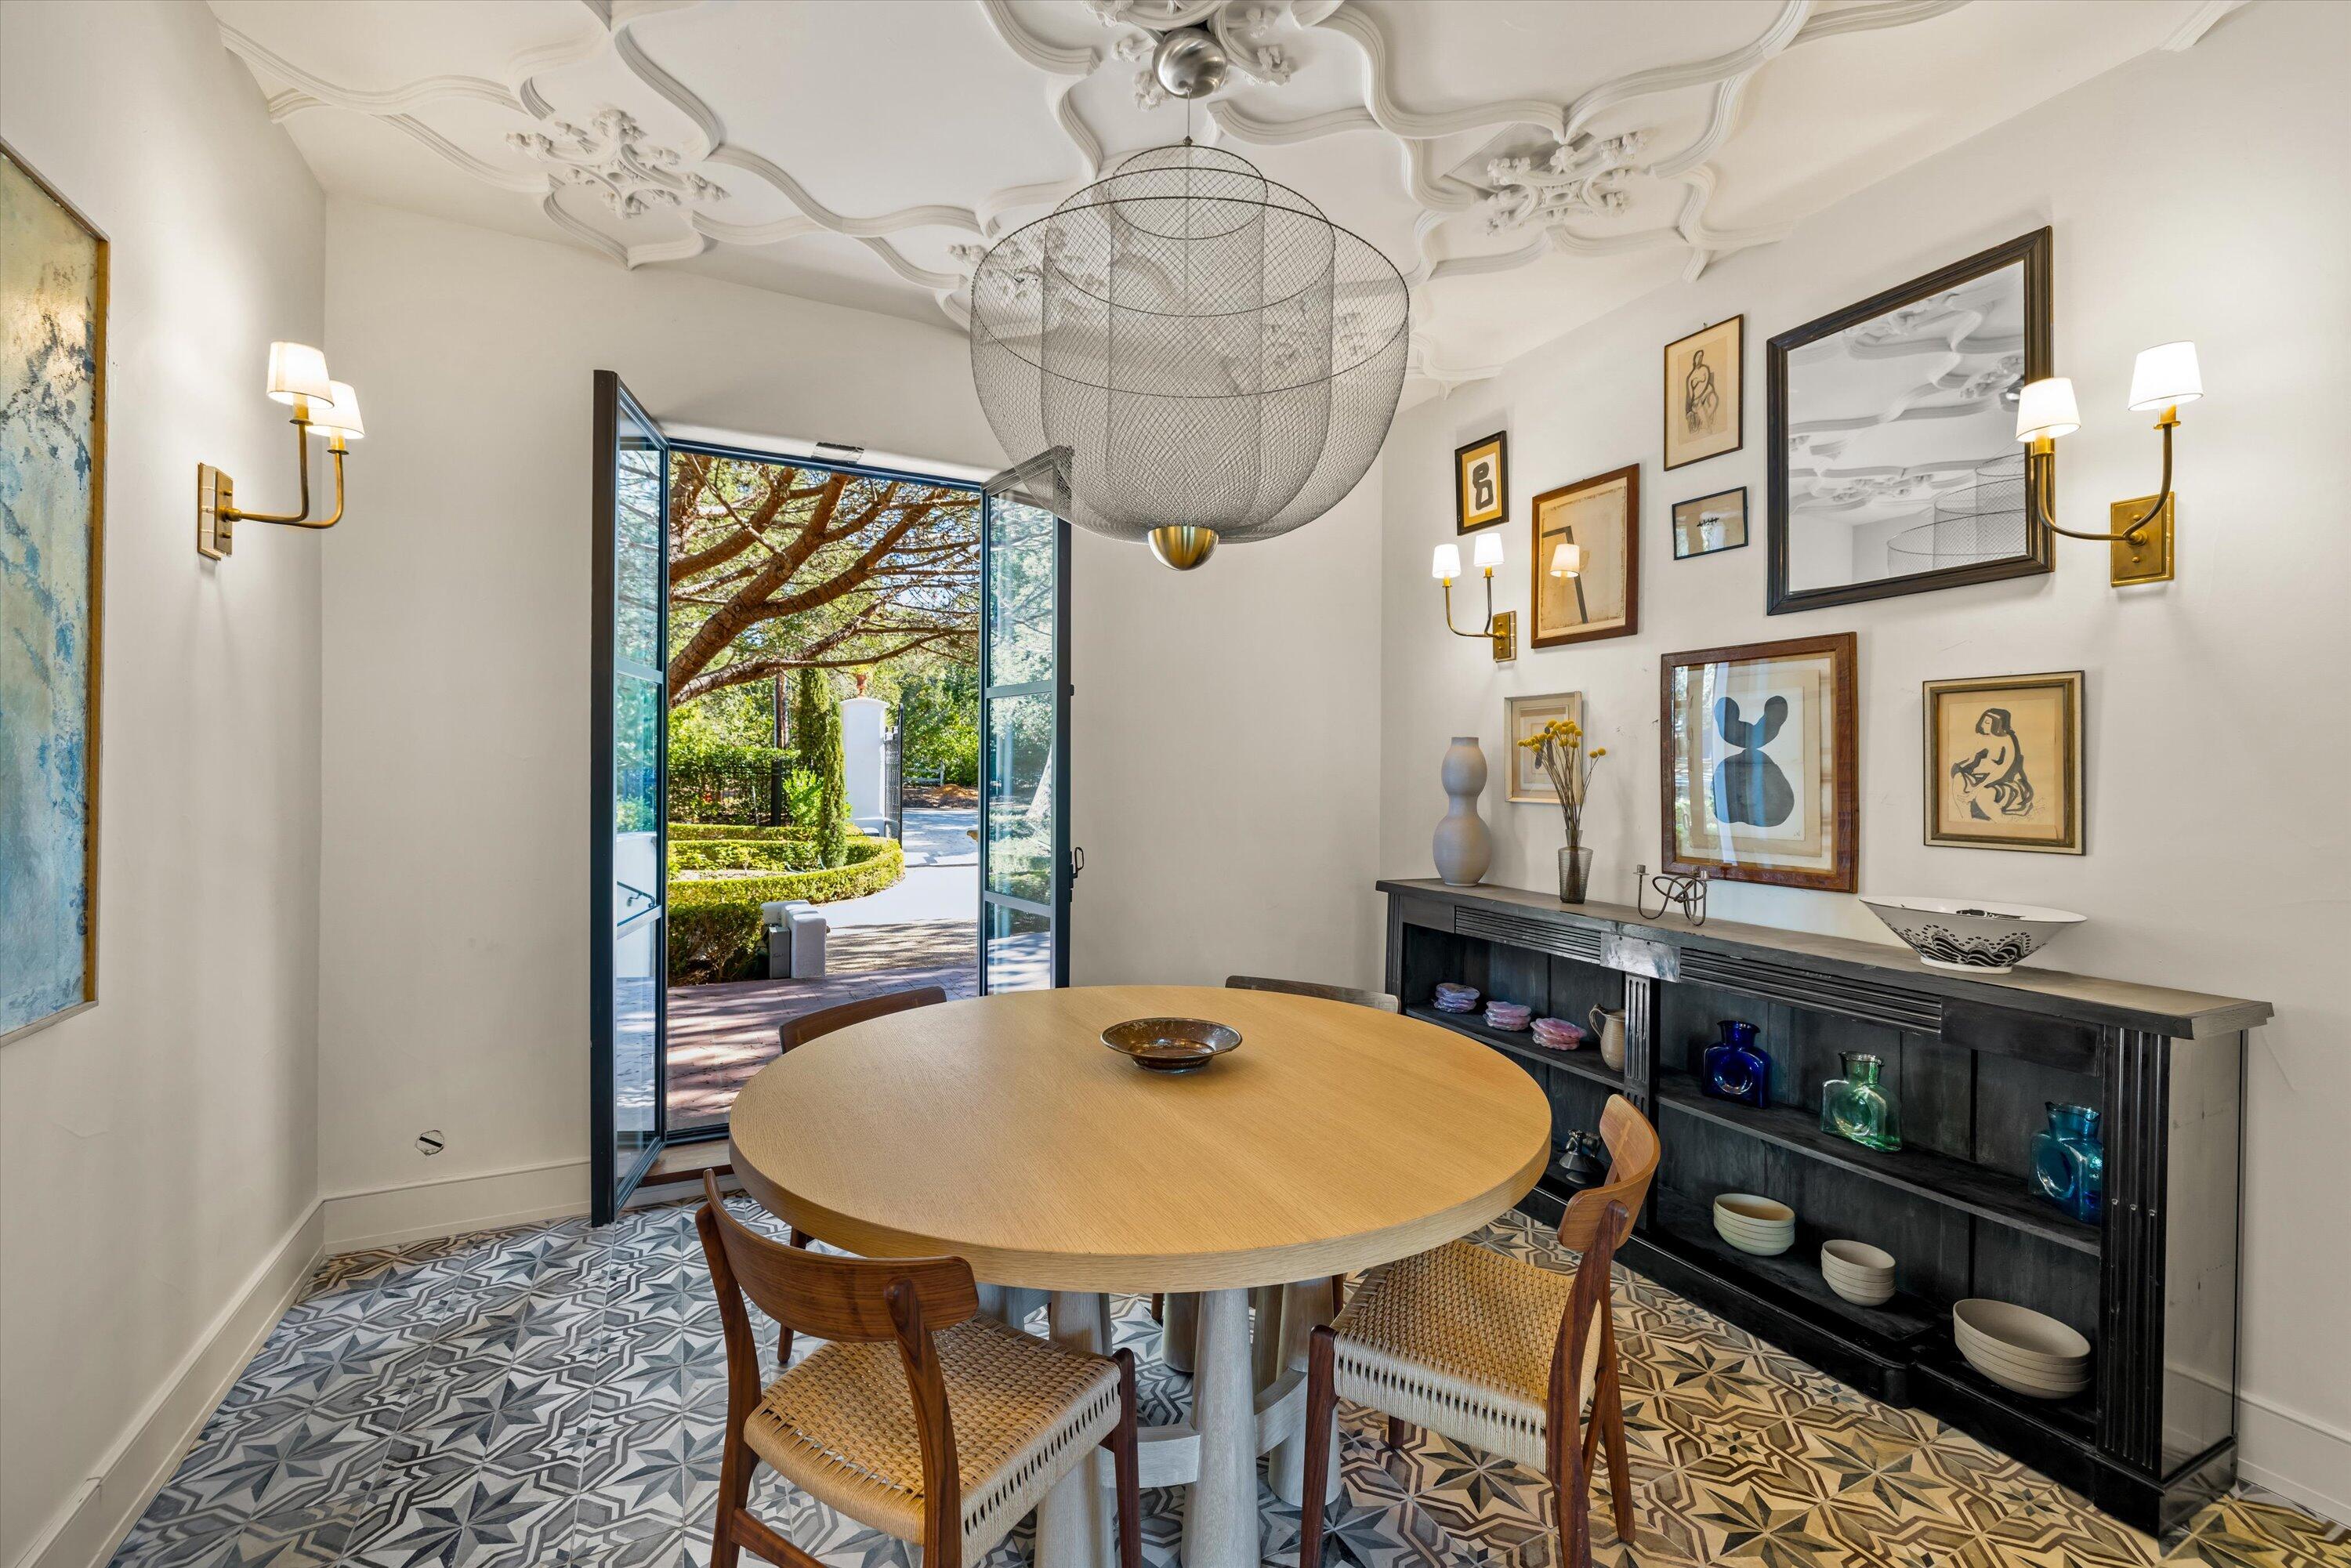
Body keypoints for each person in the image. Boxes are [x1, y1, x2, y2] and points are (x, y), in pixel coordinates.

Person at [1951, 708, 2034, 819]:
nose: (1982, 724)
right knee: (1958, 779)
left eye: (1987, 722)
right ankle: (1966, 820)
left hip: (1999, 781)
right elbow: (1971, 760)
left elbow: (2001, 771)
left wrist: (1974, 792)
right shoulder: (1982, 738)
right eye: (1983, 721)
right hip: (1978, 777)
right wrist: (1958, 768)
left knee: (1982, 796)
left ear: (1998, 724)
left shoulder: (2008, 740)